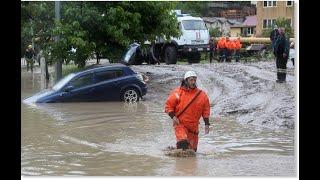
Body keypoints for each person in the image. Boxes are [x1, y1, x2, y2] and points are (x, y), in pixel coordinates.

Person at [164, 71, 211, 152]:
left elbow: (206, 111)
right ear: (186, 81)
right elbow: (168, 106)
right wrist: (173, 117)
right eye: (191, 80)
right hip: (180, 124)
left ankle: (172, 150)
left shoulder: (202, 95)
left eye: (194, 80)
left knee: (192, 152)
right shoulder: (177, 93)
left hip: (194, 127)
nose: (193, 82)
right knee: (183, 144)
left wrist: (207, 124)